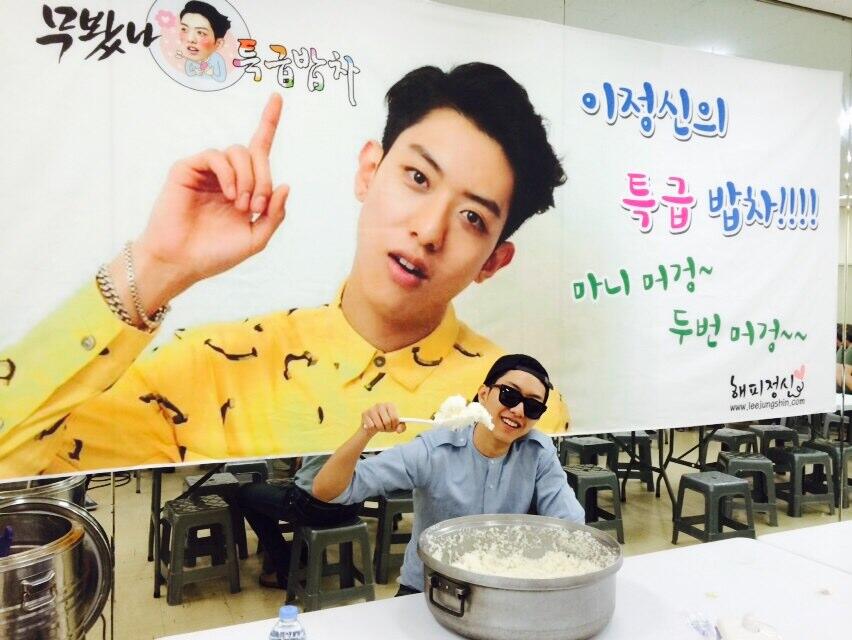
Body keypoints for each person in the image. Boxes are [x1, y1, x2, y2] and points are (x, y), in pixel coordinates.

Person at [0, 63, 570, 479]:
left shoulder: (520, 403)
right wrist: (155, 267)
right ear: (369, 171)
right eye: (417, 178)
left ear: (493, 261)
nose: (429, 230)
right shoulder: (207, 368)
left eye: (472, 217)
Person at [312, 354, 585, 596]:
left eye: (533, 406)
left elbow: (570, 523)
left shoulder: (538, 452)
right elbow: (329, 490)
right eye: (509, 395)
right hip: (429, 587)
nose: (518, 410)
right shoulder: (434, 451)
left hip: (499, 589)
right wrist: (365, 432)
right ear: (483, 394)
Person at [178, 1, 229, 82]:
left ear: (218, 44)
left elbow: (222, 78)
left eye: (201, 33)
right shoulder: (190, 57)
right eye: (184, 29)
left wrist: (211, 73)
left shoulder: (217, 59)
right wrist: (196, 71)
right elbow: (188, 73)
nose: (190, 39)